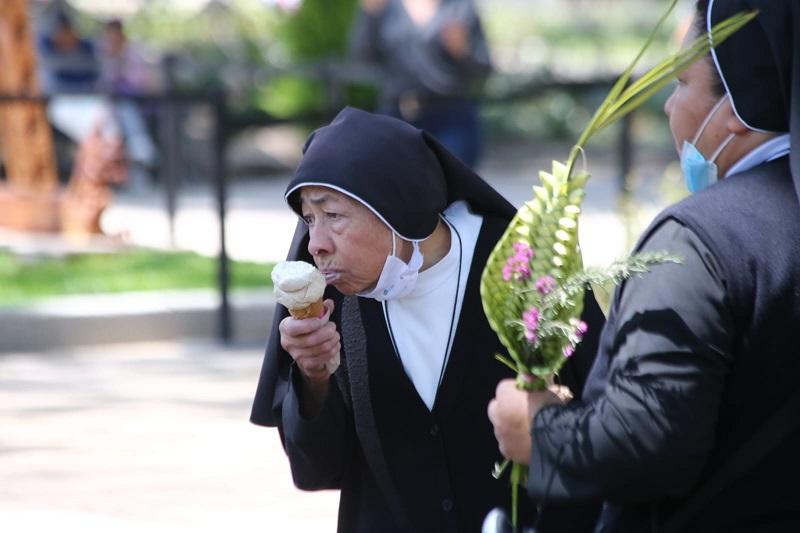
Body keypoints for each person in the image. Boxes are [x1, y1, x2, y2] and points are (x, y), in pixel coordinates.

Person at [487, 0, 800, 531]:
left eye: (680, 84)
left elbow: (651, 440)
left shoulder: (697, 241)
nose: (666, 108)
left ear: (736, 113)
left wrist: (538, 433)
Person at [250, 107, 605, 532]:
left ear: (397, 208)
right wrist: (313, 378)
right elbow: (316, 472)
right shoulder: (333, 300)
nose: (316, 244)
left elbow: (605, 426)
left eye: (333, 216)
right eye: (309, 219)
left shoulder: (522, 264)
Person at [349, 0, 492, 168]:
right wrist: (369, 16)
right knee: (394, 188)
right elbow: (361, 57)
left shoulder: (459, 7)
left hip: (450, 116)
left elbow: (484, 67)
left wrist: (463, 51)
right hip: (396, 117)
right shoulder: (386, 6)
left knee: (452, 189)